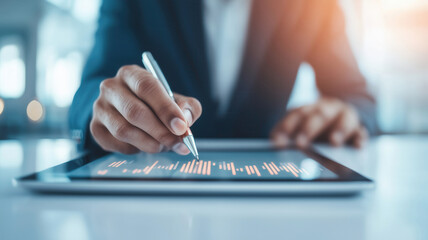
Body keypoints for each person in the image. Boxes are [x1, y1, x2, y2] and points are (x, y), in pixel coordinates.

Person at [70, 0, 376, 155]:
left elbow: (358, 97)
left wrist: (346, 113)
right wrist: (107, 112)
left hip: (269, 201)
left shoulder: (313, 6)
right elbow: (91, 91)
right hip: (158, 196)